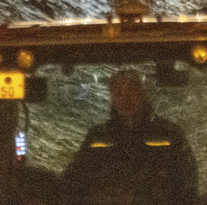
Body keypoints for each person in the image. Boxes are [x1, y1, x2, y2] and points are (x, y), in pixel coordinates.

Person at [63, 70, 198, 205]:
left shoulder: (169, 134)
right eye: (119, 94)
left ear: (143, 95)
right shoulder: (97, 137)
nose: (125, 99)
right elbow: (75, 181)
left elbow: (188, 182)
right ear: (112, 99)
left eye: (131, 92)